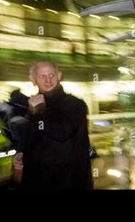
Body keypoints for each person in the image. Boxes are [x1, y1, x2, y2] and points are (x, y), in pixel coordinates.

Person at [16, 61, 93, 190]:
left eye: (52, 75)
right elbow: (34, 139)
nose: (48, 80)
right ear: (33, 80)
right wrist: (22, 155)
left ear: (59, 75)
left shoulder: (75, 105)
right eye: (42, 76)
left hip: (68, 183)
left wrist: (39, 111)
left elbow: (62, 133)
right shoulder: (34, 106)